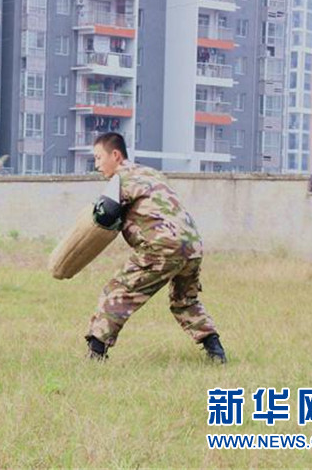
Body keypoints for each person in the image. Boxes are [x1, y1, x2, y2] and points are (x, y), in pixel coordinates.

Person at [85, 133, 227, 363]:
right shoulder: (152, 174)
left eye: (99, 157)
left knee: (116, 293)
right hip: (192, 246)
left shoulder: (121, 178)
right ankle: (217, 352)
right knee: (185, 300)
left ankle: (95, 354)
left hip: (161, 247)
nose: (96, 164)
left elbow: (106, 213)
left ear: (116, 155)